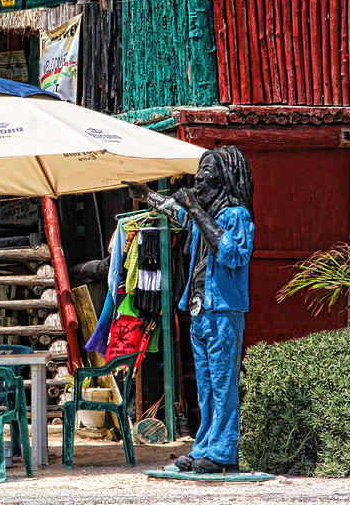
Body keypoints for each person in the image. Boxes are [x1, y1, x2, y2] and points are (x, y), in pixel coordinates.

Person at [128, 146, 254, 474]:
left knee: (224, 384)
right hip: (200, 310)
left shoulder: (235, 215)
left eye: (207, 172)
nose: (199, 178)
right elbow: (178, 213)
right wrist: (147, 196)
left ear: (225, 178)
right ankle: (204, 446)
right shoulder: (204, 216)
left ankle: (224, 450)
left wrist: (196, 208)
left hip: (224, 310)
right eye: (199, 172)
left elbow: (232, 254)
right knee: (206, 386)